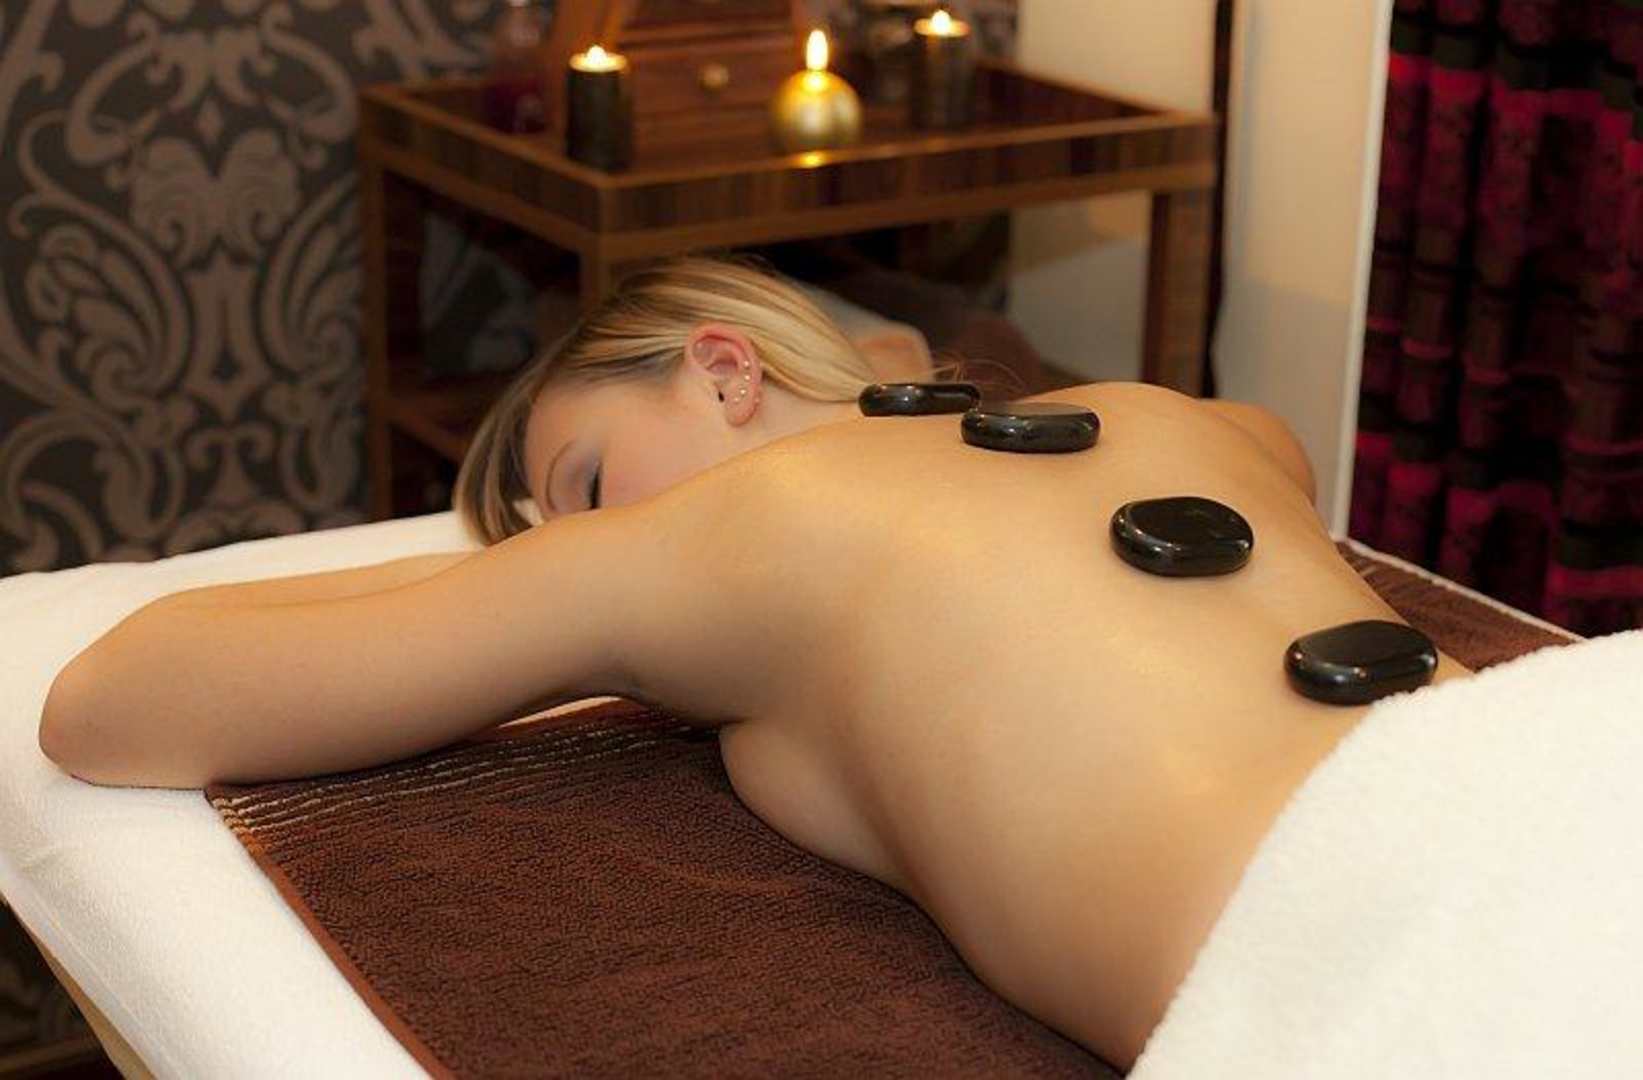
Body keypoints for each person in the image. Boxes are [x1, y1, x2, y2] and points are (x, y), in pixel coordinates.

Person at [38, 257, 1473, 1070]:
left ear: (724, 370)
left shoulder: (720, 535)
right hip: (1546, 776)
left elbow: (105, 704)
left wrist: (510, 579)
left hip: (1379, 972)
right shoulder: (1183, 419)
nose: (572, 547)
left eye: (583, 486)